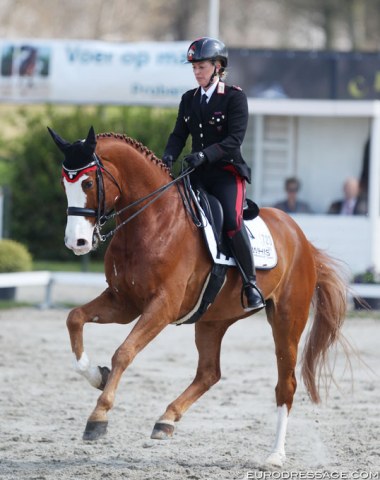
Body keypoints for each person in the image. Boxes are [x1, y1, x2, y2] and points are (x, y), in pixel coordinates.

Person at [162, 37, 265, 311]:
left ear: (218, 66)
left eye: (202, 66)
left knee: (231, 220)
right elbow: (178, 135)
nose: (197, 72)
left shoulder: (234, 97)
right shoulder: (188, 99)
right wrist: (168, 156)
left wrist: (205, 155)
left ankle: (250, 283)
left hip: (226, 174)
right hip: (197, 174)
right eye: (194, 67)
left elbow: (234, 140)